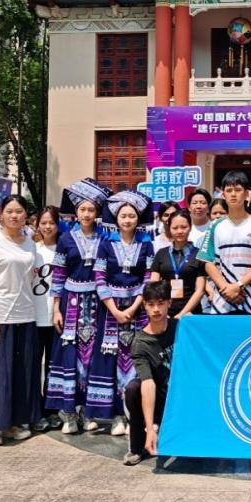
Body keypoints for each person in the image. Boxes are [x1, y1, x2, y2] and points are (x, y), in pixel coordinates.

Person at [0, 195, 41, 447]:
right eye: (9, 211)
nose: (14, 216)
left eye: (19, 211)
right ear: (0, 214)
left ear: (26, 215)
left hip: (26, 314)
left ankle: (15, 422)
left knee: (21, 373)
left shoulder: (30, 244)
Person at [46, 180, 110, 433]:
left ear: (97, 212)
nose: (86, 214)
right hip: (71, 301)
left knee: (93, 356)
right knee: (70, 355)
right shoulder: (65, 239)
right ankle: (69, 413)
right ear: (76, 212)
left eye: (91, 210)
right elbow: (58, 274)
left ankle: (88, 410)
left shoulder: (105, 238)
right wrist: (55, 308)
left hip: (97, 303)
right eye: (82, 209)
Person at [89, 191, 155, 435]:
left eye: (132, 216)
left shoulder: (146, 243)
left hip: (138, 309)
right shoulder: (106, 244)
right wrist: (115, 310)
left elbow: (148, 278)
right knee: (111, 359)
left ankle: (134, 416)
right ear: (116, 219)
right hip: (110, 311)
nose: (127, 220)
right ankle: (116, 416)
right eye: (123, 216)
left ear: (138, 219)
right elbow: (99, 278)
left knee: (137, 359)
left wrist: (135, 306)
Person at [198, 171, 251, 315]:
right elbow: (207, 261)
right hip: (222, 299)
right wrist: (226, 288)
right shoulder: (215, 225)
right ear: (223, 195)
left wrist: (238, 285)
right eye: (229, 190)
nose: (233, 194)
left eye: (238, 190)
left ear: (247, 194)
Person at [123, 281, 178, 466]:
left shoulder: (180, 328)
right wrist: (150, 429)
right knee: (133, 389)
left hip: (180, 394)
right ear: (144, 306)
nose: (156, 309)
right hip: (158, 396)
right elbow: (148, 383)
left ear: (169, 303)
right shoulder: (140, 343)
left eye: (160, 303)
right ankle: (137, 446)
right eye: (151, 304)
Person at [32, 206, 61, 431]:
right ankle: (34, 411)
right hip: (32, 317)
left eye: (51, 222)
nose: (47, 227)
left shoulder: (64, 250)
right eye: (43, 223)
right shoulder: (32, 249)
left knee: (53, 366)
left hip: (55, 318)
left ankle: (51, 411)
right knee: (32, 367)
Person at [150, 209, 206, 318]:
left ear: (190, 227)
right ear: (169, 228)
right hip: (165, 314)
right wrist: (162, 311)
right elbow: (153, 285)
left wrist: (182, 314)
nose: (179, 231)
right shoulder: (161, 253)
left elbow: (200, 290)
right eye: (175, 228)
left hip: (191, 314)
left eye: (184, 227)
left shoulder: (199, 254)